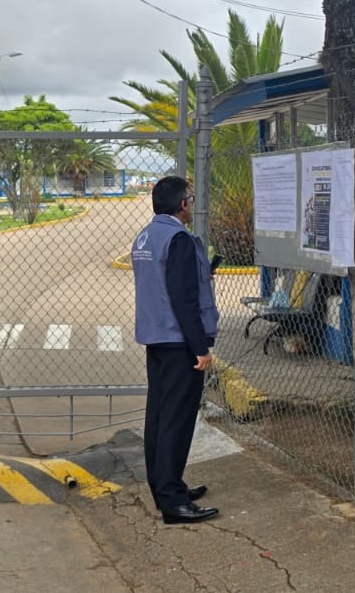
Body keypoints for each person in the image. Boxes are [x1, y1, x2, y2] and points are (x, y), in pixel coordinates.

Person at [131, 176, 220, 525]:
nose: (192, 204)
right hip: (179, 340)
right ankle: (173, 502)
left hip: (157, 337)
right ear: (182, 204)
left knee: (159, 417)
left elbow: (165, 282)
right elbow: (182, 299)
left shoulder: (147, 235)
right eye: (191, 198)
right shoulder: (178, 239)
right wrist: (200, 348)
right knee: (176, 422)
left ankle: (166, 486)